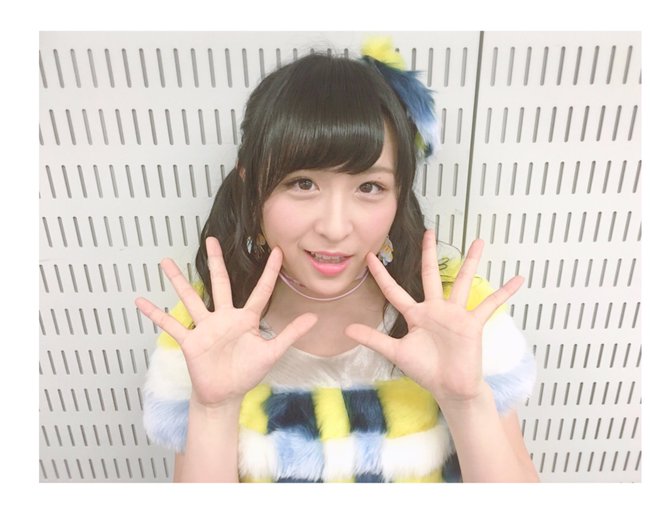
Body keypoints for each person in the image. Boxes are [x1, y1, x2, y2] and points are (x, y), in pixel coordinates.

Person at [137, 37, 539, 483]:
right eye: (302, 183)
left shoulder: (456, 311)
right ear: (251, 185)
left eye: (369, 187)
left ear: (399, 195)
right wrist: (214, 408)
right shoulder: (207, 323)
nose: (334, 227)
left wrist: (466, 402)